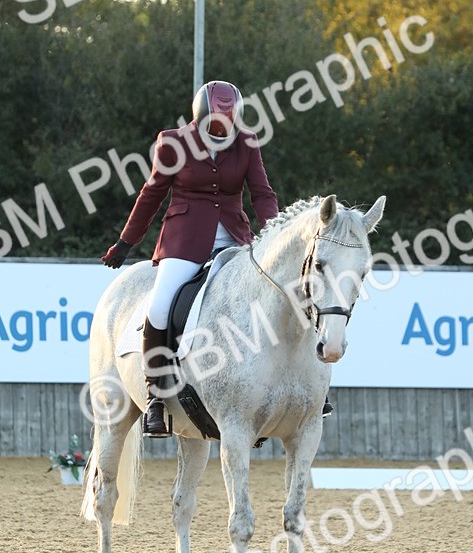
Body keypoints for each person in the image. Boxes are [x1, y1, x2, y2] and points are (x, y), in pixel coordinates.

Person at [101, 79, 332, 435]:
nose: (220, 136)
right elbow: (151, 195)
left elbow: (262, 194)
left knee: (285, 292)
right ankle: (157, 397)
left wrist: (273, 238)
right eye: (214, 128)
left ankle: (306, 388)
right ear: (200, 116)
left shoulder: (247, 143)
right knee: (160, 307)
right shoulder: (173, 142)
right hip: (185, 241)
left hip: (235, 240)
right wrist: (126, 242)